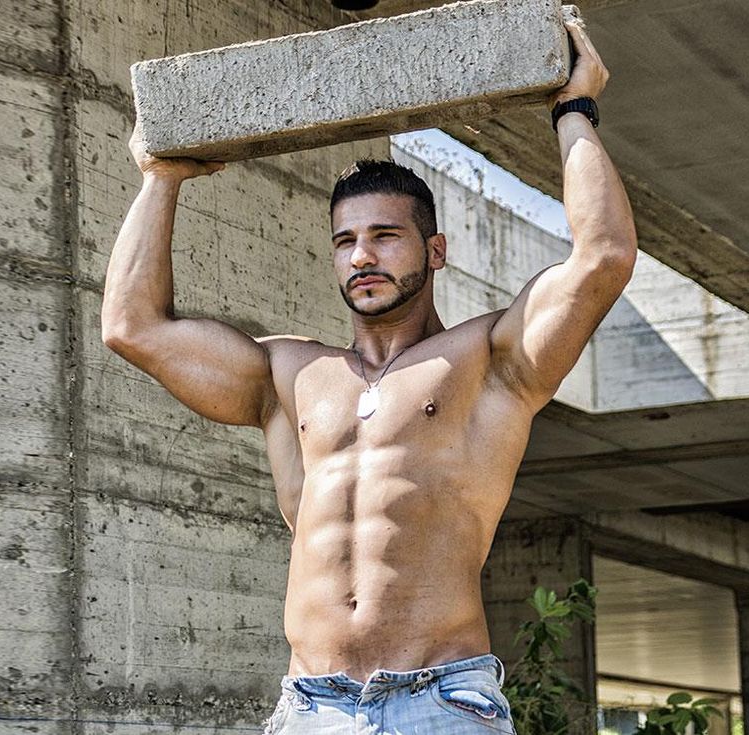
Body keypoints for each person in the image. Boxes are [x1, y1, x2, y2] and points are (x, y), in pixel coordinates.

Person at [102, 15, 635, 735]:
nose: (362, 256)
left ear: (436, 249)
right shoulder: (287, 375)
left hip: (443, 700)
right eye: (346, 240)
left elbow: (601, 258)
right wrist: (161, 176)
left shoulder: (490, 362)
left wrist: (574, 111)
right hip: (312, 704)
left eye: (385, 236)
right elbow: (131, 325)